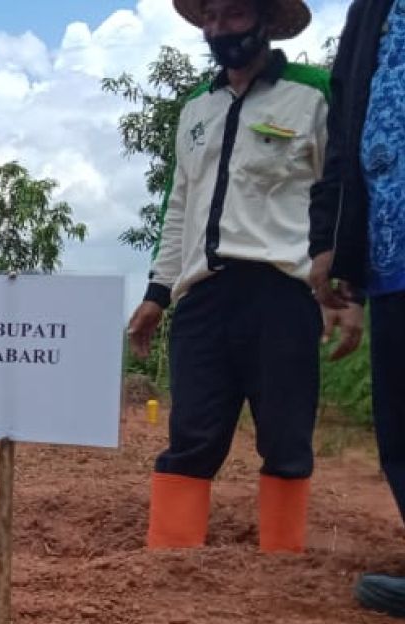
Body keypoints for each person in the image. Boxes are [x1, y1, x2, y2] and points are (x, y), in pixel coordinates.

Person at [126, 0, 361, 552]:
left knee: (285, 439)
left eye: (232, 15)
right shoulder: (194, 109)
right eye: (209, 17)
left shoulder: (315, 93)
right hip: (203, 297)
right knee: (190, 438)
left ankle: (281, 575)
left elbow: (343, 191)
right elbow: (178, 207)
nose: (218, 29)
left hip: (282, 293)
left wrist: (347, 287)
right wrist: (157, 293)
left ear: (265, 21)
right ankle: (171, 565)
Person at [308, 0, 405, 613]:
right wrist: (334, 250)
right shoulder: (370, 10)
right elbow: (347, 132)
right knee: (398, 423)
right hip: (391, 250)